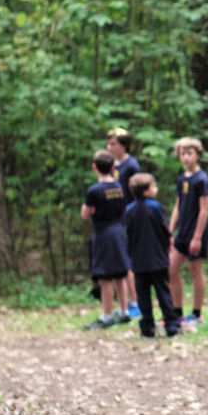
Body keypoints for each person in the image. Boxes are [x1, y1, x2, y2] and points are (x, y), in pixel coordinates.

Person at [125, 173, 182, 338]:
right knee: (163, 293)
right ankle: (171, 327)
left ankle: (147, 328)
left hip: (138, 261)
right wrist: (167, 245)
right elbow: (164, 229)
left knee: (143, 296)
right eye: (153, 186)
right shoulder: (155, 207)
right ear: (145, 191)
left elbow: (127, 235)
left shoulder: (129, 210)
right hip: (157, 260)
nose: (156, 189)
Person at [81, 150, 132, 330]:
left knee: (105, 277)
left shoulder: (94, 191)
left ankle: (107, 315)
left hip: (104, 233)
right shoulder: (118, 187)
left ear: (94, 167)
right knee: (120, 273)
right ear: (112, 167)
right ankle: (125, 311)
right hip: (119, 231)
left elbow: (86, 214)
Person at [169, 137, 208, 330]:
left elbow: (204, 210)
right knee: (171, 269)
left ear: (197, 155)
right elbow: (178, 205)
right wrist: (169, 230)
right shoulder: (181, 178)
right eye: (182, 153)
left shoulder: (201, 179)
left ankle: (196, 314)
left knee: (195, 270)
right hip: (182, 232)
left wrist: (197, 236)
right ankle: (176, 313)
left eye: (189, 153)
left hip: (197, 232)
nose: (186, 157)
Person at [107, 127, 142, 320]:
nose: (109, 147)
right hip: (115, 218)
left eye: (113, 143)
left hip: (128, 218)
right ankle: (126, 302)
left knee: (128, 261)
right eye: (108, 143)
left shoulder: (132, 166)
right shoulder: (111, 165)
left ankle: (136, 302)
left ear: (124, 145)